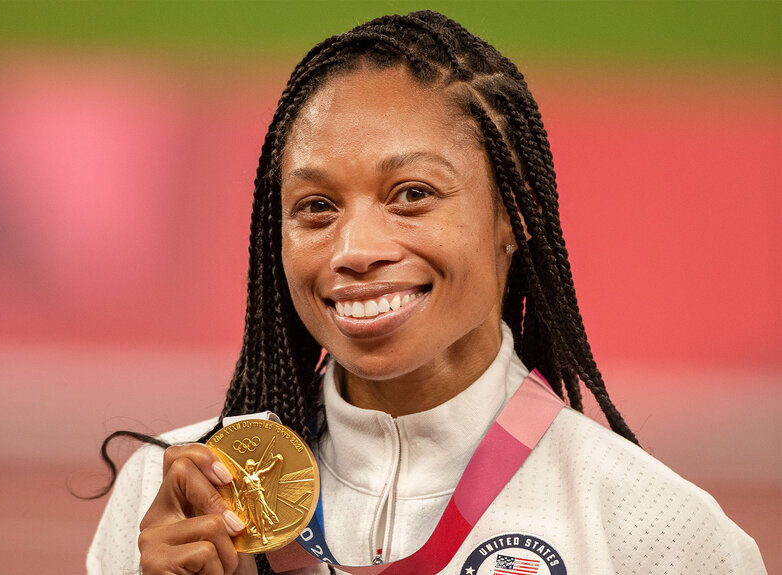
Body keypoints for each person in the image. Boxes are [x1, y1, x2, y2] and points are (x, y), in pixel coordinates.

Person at [87, 10, 767, 575]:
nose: (353, 250)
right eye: (317, 206)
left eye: (411, 195)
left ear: (514, 213)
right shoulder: (177, 499)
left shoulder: (653, 530)